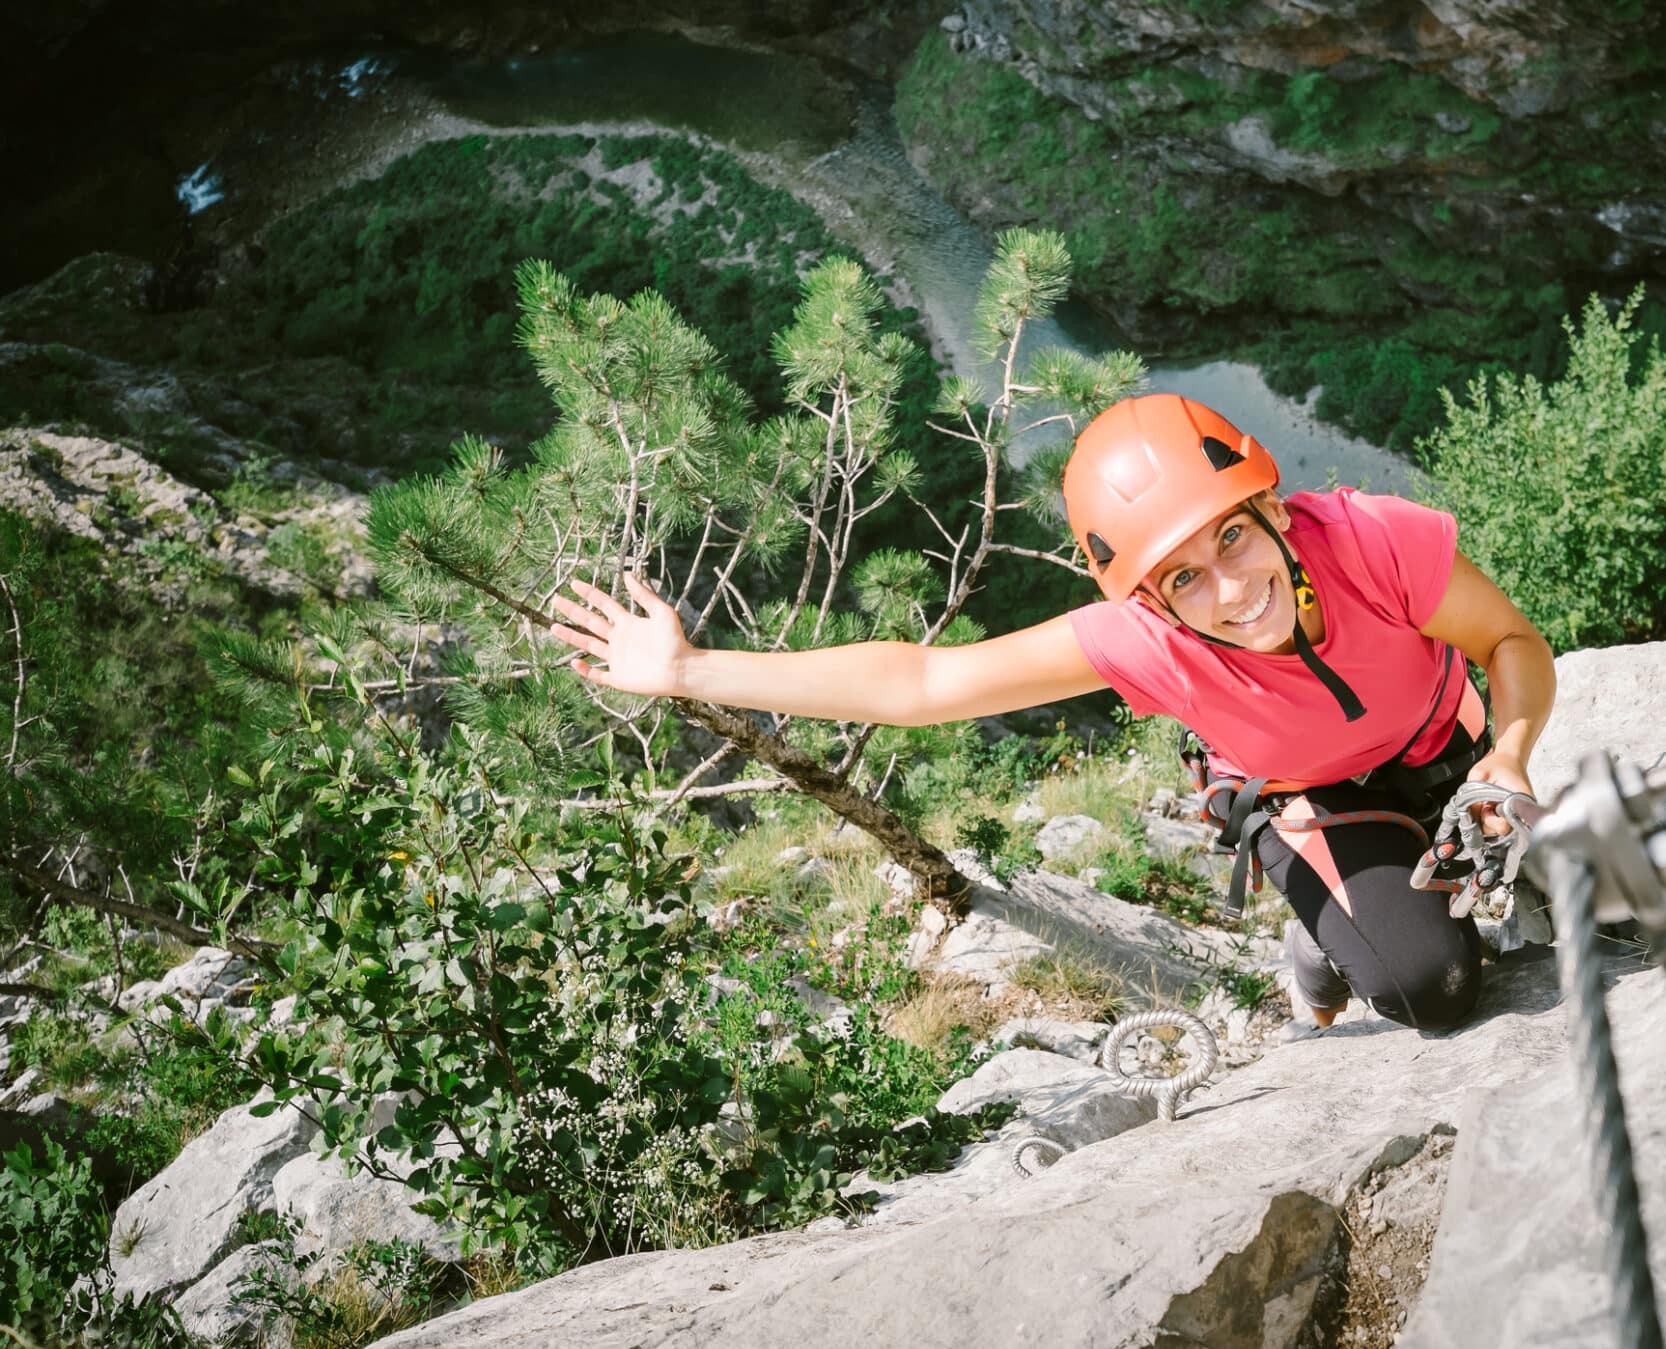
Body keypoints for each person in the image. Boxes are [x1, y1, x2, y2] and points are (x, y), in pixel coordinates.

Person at [547, 394, 1555, 1034]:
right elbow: (924, 685)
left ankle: (1374, 888)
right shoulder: (1139, 643)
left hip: (1445, 759)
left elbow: (1510, 645)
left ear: (1274, 514)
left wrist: (1505, 759)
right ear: (1148, 600)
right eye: (1182, 578)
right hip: (1310, 801)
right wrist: (690, 668)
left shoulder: (1373, 542)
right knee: (1427, 989)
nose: (1229, 591)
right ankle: (1321, 927)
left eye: (1233, 542)